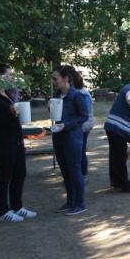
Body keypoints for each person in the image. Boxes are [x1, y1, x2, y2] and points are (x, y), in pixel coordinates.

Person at [0, 63, 35, 223]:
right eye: (9, 75)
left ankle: (17, 207)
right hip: (1, 143)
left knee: (20, 174)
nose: (12, 78)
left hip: (15, 140)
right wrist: (9, 113)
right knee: (4, 176)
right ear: (0, 77)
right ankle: (3, 211)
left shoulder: (9, 94)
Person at [51, 65, 90, 215]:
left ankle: (80, 204)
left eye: (55, 79)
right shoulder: (56, 95)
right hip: (58, 137)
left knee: (75, 171)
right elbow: (56, 115)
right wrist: (50, 108)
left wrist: (66, 125)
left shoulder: (77, 96)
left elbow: (84, 116)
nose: (53, 82)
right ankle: (70, 201)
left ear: (66, 79)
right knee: (65, 172)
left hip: (72, 137)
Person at [70, 69, 94, 180]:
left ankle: (83, 174)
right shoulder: (78, 92)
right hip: (81, 124)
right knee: (78, 150)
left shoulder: (83, 94)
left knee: (80, 150)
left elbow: (83, 111)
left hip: (84, 124)